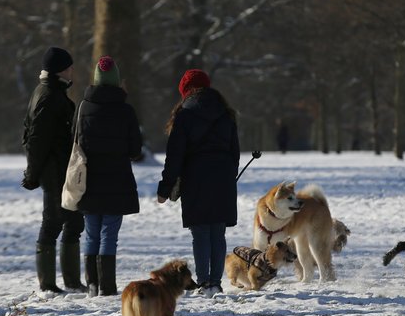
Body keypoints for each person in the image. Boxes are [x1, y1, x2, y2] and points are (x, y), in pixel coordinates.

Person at [157, 69, 240, 298]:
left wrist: (165, 188)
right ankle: (215, 282)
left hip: (196, 178)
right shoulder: (226, 113)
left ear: (187, 91)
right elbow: (235, 151)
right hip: (222, 178)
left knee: (201, 232)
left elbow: (174, 156)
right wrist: (229, 175)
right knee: (218, 232)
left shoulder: (184, 114)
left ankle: (204, 282)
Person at [76, 56, 142, 296]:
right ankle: (108, 286)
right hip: (117, 180)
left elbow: (77, 142)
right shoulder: (125, 110)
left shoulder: (83, 107)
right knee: (109, 234)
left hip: (89, 180)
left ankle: (92, 284)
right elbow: (136, 150)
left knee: (91, 233)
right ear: (117, 81)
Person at [21, 46, 86, 293]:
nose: (72, 71)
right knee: (53, 222)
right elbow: (37, 139)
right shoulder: (49, 96)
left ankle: (71, 281)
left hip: (63, 168)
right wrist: (32, 174)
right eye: (69, 67)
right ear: (60, 70)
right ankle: (48, 283)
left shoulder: (53, 92)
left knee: (73, 221)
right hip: (54, 170)